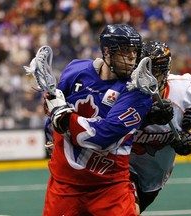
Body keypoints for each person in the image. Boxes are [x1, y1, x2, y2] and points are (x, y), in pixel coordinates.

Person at [29, 24, 154, 216]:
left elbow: (102, 136)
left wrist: (63, 116)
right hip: (65, 182)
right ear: (107, 52)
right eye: (125, 51)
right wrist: (53, 121)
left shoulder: (137, 91)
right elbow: (54, 107)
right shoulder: (75, 70)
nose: (131, 57)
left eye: (134, 52)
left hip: (109, 186)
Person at [129, 40, 191, 213]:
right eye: (140, 69)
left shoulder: (190, 91)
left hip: (154, 178)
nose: (145, 77)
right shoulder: (121, 90)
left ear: (165, 72)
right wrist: (144, 119)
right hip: (120, 169)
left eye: (153, 71)